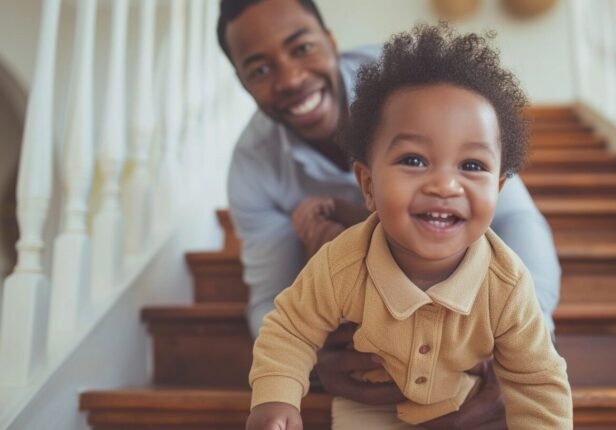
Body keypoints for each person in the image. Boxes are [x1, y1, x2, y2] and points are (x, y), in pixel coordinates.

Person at [218, 0, 563, 427]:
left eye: (302, 48)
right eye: (259, 69)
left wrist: (521, 344)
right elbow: (280, 313)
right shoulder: (260, 175)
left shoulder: (425, 88)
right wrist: (305, 368)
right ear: (367, 183)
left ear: (331, 42)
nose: (291, 78)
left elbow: (517, 221)